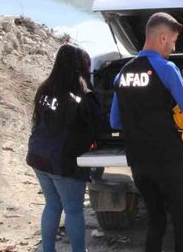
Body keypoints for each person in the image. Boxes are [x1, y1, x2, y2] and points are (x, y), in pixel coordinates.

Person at [110, 12, 183, 252]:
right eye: (172, 41)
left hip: (139, 162)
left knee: (156, 221)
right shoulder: (167, 68)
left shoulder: (122, 74)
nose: (173, 47)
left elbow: (115, 121)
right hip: (168, 160)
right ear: (162, 37)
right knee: (182, 221)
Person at [26, 43, 108, 252]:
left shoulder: (45, 88)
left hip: (38, 156)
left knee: (52, 205)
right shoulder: (82, 96)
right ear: (81, 68)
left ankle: (48, 250)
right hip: (63, 161)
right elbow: (101, 126)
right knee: (73, 210)